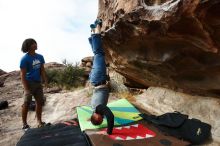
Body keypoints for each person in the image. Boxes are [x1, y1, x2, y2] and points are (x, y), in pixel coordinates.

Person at [88, 19, 114, 134]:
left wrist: (109, 132)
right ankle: (93, 31)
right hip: (96, 80)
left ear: (97, 117)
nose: (103, 118)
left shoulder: (99, 109)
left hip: (98, 78)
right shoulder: (93, 109)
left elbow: (110, 116)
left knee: (99, 53)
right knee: (97, 54)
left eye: (101, 120)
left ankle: (97, 27)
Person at [20, 38, 48, 131]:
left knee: (39, 102)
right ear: (28, 46)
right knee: (26, 103)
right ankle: (24, 124)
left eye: (35, 42)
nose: (35, 44)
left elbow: (42, 70)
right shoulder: (24, 59)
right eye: (33, 43)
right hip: (29, 83)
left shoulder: (40, 57)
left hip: (38, 83)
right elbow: (23, 75)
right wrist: (26, 88)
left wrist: (45, 80)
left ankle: (39, 122)